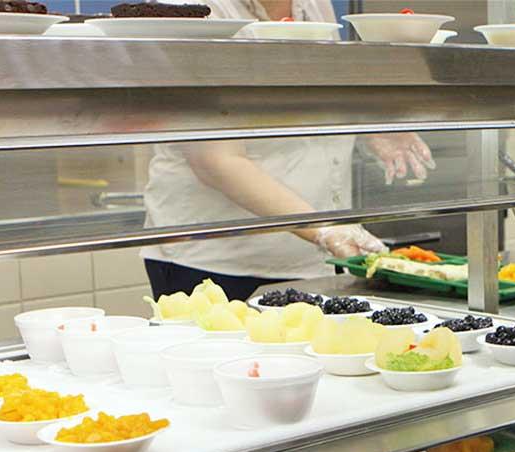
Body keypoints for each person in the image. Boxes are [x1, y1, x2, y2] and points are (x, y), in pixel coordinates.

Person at [141, 0, 436, 301]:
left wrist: (367, 123)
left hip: (311, 255)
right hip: (215, 263)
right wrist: (324, 229)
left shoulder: (314, 6)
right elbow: (216, 162)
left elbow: (312, 98)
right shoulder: (194, 9)